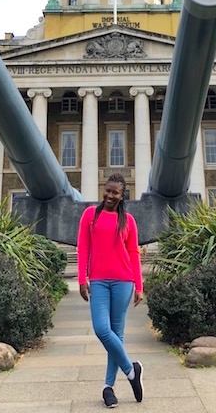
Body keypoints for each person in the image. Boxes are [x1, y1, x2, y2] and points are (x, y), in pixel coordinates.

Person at [77, 172, 144, 408]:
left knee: (116, 334)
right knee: (102, 330)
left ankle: (109, 388)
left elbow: (134, 253)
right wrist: (81, 279)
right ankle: (131, 370)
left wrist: (139, 284)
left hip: (123, 281)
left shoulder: (129, 221)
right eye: (107, 190)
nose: (110, 195)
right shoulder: (89, 216)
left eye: (115, 192)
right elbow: (83, 247)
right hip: (98, 281)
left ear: (122, 195)